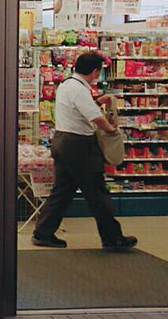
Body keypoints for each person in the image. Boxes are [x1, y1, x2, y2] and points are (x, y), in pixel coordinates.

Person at [32, 52, 138, 252]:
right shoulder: (79, 89)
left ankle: (42, 233)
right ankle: (113, 238)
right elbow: (94, 117)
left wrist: (98, 102)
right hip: (79, 145)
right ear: (95, 71)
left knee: (62, 191)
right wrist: (111, 130)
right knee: (97, 192)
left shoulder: (67, 85)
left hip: (62, 141)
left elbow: (79, 110)